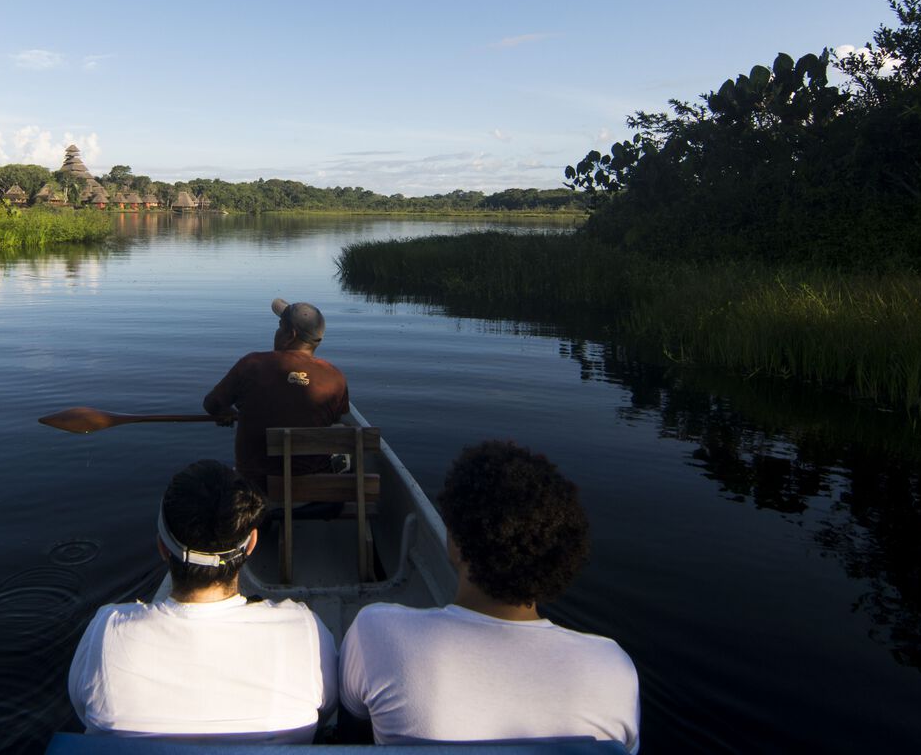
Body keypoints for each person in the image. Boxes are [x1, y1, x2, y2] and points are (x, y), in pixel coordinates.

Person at [340, 441, 640, 751]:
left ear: (456, 543)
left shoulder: (376, 632)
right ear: (559, 555)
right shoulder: (613, 668)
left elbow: (350, 741)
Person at [67, 459, 338, 742]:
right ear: (252, 544)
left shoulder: (107, 632)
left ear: (162, 547)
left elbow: (83, 711)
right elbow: (328, 709)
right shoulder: (304, 631)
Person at [203, 298, 350, 487]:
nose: (276, 332)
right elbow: (336, 421)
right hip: (313, 493)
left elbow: (211, 405)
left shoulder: (252, 365)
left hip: (256, 492)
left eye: (280, 326)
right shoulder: (335, 377)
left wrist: (226, 412)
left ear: (290, 335)